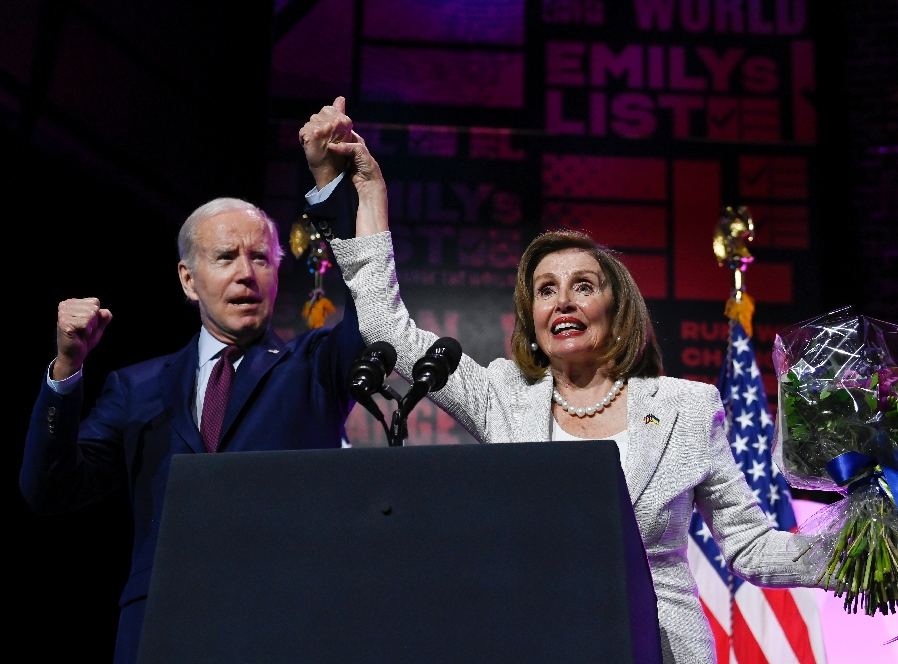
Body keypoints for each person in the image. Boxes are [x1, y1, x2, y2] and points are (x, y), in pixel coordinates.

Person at [322, 115, 819, 664]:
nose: (562, 302)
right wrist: (370, 194)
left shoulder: (688, 408)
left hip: (659, 649)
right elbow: (388, 330)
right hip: (540, 641)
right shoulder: (502, 396)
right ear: (531, 316)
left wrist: (861, 548)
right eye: (545, 291)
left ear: (616, 306)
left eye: (583, 286)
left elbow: (751, 546)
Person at [20, 98, 365, 663]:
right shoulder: (137, 387)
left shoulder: (313, 366)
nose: (245, 274)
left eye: (261, 258)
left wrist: (329, 186)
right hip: (161, 630)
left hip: (288, 628)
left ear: (279, 273)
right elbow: (48, 489)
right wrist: (66, 370)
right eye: (226, 257)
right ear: (188, 278)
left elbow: (369, 308)